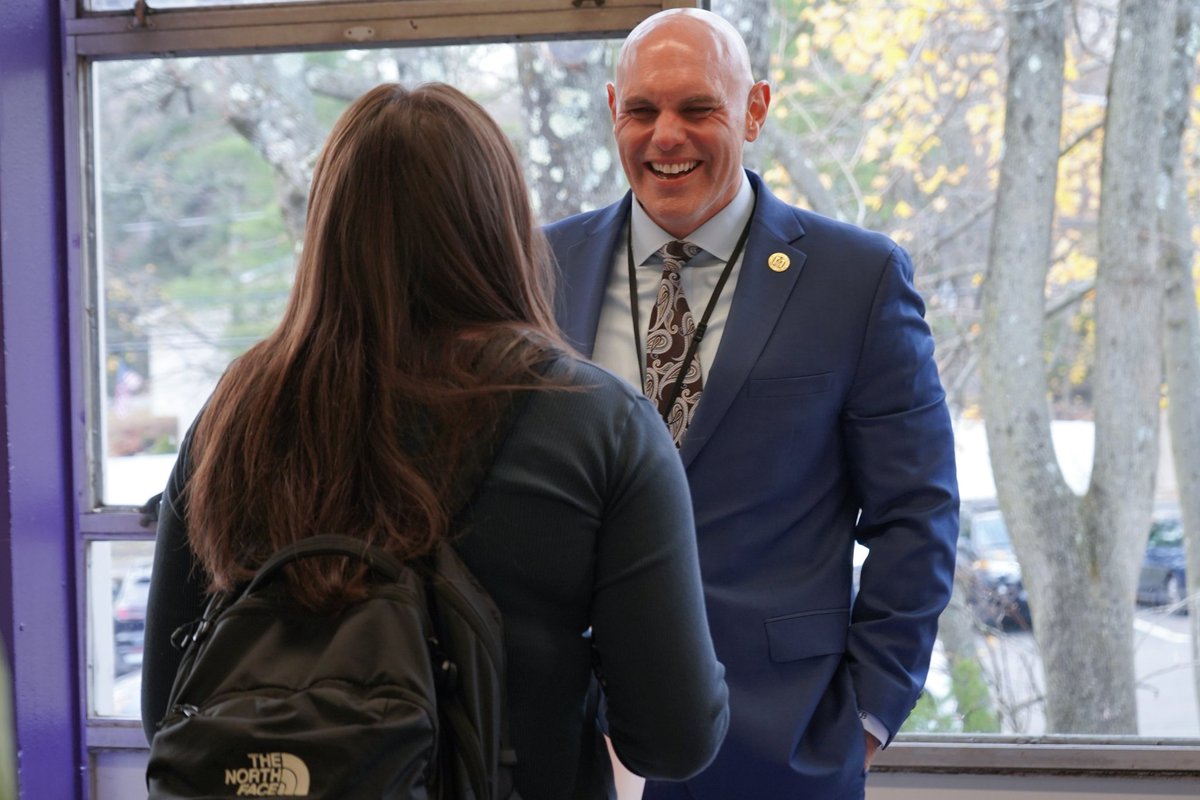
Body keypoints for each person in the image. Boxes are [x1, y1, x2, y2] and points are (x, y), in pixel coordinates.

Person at [140, 81, 729, 800]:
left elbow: (168, 707)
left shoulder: (233, 416)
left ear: (329, 225)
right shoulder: (599, 424)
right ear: (503, 224)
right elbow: (674, 738)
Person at [544, 9, 959, 799]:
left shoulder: (857, 279)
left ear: (756, 110)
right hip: (564, 741)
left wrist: (866, 719)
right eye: (642, 111)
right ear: (611, 113)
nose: (667, 135)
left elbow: (918, 514)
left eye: (698, 109)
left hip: (777, 741)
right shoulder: (539, 265)